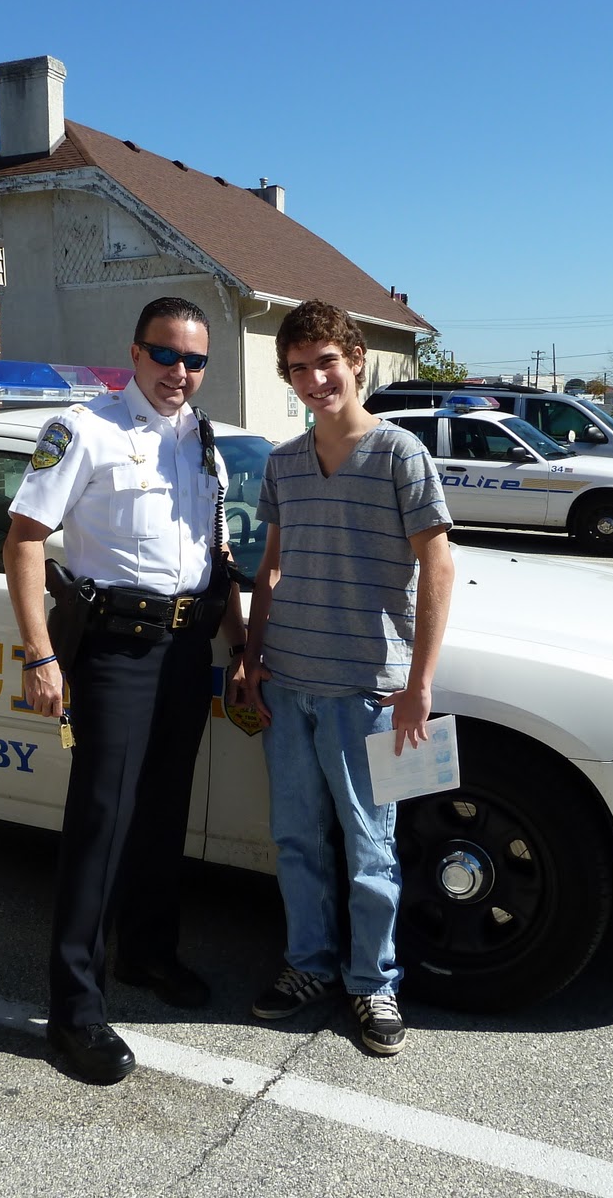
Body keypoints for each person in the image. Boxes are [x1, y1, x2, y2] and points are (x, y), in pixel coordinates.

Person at [3, 297, 246, 1084]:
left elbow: (218, 550)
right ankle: (74, 1011)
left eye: (195, 360)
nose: (181, 373)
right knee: (102, 821)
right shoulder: (85, 430)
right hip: (114, 650)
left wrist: (236, 641)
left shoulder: (203, 443)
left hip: (184, 647)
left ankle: (148, 954)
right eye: (166, 355)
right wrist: (41, 655)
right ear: (135, 353)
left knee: (163, 809)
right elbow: (24, 541)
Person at [237, 299, 454, 1056]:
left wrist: (420, 682)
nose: (314, 379)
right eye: (297, 368)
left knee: (371, 846)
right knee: (296, 840)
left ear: (356, 360)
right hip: (288, 682)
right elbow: (269, 569)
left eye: (325, 361)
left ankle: (374, 985)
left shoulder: (400, 454)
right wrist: (252, 656)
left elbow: (438, 565)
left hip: (367, 692)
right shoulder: (284, 462)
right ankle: (308, 967)